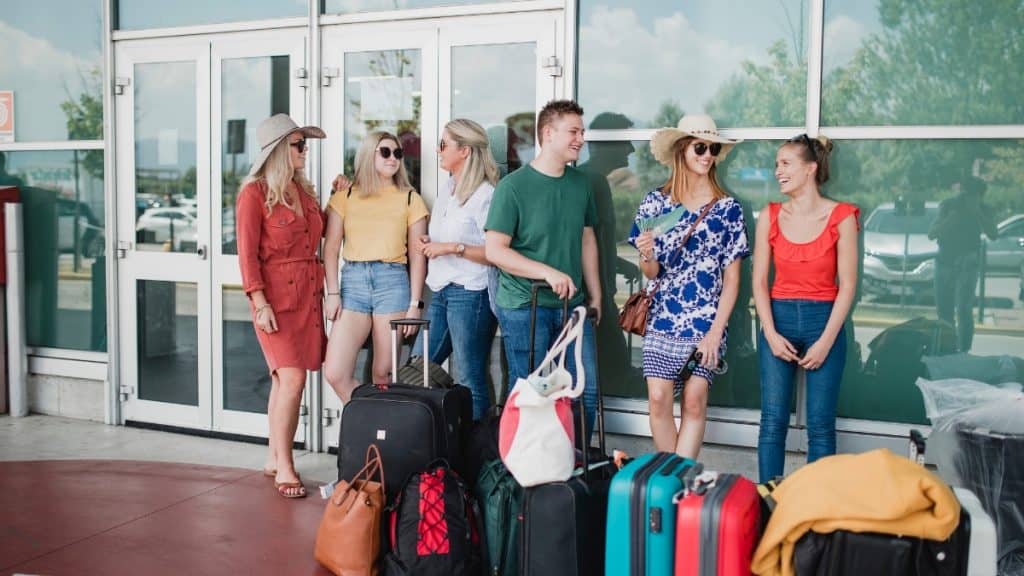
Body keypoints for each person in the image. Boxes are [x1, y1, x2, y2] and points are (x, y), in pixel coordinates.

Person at [629, 114, 749, 459]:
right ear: (683, 150)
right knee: (657, 399)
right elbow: (651, 272)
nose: (708, 155)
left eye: (713, 149)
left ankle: (678, 483)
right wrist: (647, 252)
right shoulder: (656, 202)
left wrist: (716, 331)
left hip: (707, 319)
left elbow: (733, 280)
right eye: (701, 147)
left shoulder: (728, 209)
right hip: (663, 315)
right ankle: (673, 480)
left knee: (695, 401)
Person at [484, 99, 600, 440]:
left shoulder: (581, 184)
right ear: (548, 134)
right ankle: (528, 479)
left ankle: (573, 470)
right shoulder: (514, 187)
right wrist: (545, 272)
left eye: (582, 131)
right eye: (573, 131)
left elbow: (587, 239)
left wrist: (596, 295)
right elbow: (495, 250)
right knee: (533, 395)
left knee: (585, 392)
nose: (581, 139)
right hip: (524, 306)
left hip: (573, 307)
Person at [753, 134, 859, 482]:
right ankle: (769, 503)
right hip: (778, 320)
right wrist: (769, 333)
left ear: (810, 168)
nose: (777, 171)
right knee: (772, 421)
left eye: (785, 163)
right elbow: (759, 283)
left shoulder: (842, 217)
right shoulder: (769, 215)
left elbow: (848, 286)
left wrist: (826, 341)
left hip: (824, 322)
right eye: (776, 164)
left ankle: (814, 511)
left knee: (820, 425)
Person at [236, 114, 327, 499]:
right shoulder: (254, 194)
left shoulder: (303, 192)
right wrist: (259, 301)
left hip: (307, 297)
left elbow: (318, 234)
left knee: (282, 380)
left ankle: (274, 456)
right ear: (278, 151)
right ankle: (286, 464)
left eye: (305, 145)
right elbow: (246, 256)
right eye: (299, 145)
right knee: (293, 379)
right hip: (274, 299)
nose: (305, 151)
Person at [322, 131, 429, 402]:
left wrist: (415, 304)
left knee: (383, 373)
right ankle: (367, 419)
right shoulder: (345, 196)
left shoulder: (409, 198)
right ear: (369, 155)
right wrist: (332, 292)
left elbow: (418, 256)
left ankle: (382, 436)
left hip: (392, 282)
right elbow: (331, 249)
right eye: (385, 152)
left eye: (397, 153)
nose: (393, 158)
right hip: (353, 283)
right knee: (335, 372)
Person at [411, 119, 499, 420]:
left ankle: (477, 455)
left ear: (464, 151)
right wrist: (431, 242)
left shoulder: (486, 195)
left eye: (443, 144)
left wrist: (450, 247)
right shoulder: (447, 189)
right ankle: (428, 441)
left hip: (471, 294)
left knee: (469, 377)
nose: (438, 150)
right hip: (442, 290)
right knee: (418, 369)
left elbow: (496, 252)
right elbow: (445, 236)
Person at [577, 112, 638, 391]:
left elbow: (599, 241)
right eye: (625, 140)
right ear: (602, 145)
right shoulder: (593, 182)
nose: (632, 149)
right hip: (596, 295)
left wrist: (620, 265)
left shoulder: (589, 178)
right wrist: (600, 294)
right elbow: (590, 240)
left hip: (595, 291)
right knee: (615, 370)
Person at [928, 176, 997, 352]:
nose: (966, 198)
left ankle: (963, 351)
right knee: (944, 311)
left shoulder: (984, 209)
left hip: (968, 264)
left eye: (973, 195)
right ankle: (946, 349)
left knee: (964, 311)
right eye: (965, 193)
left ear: (980, 196)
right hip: (944, 261)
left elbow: (993, 234)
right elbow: (932, 233)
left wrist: (978, 213)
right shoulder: (948, 205)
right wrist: (951, 219)